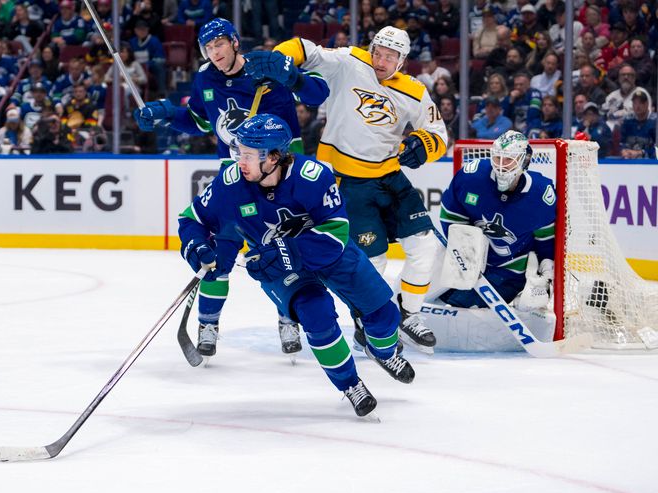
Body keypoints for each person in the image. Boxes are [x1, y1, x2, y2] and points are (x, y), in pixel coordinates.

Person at [178, 114, 415, 417]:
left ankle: (382, 351)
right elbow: (192, 219)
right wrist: (196, 246)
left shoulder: (314, 177)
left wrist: (285, 249)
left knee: (384, 314)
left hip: (330, 254)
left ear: (274, 157)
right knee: (317, 317)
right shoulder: (230, 183)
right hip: (280, 269)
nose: (240, 161)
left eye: (249, 155)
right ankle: (350, 384)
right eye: (239, 152)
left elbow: (336, 233)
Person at [135, 18, 329, 358]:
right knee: (218, 250)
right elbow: (198, 121)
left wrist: (294, 76)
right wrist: (165, 113)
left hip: (283, 174)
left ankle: (288, 318)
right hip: (237, 173)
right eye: (208, 48)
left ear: (235, 42)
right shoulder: (205, 78)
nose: (214, 52)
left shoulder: (265, 66)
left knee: (289, 251)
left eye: (219, 45)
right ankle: (208, 323)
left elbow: (318, 93)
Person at [273, 26, 448, 354]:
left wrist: (424, 144)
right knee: (374, 260)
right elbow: (306, 50)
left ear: (402, 60)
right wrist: (279, 58)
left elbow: (437, 130)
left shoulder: (414, 90)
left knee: (425, 249)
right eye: (378, 52)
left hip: (390, 178)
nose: (380, 60)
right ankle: (371, 321)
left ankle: (408, 313)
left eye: (389, 56)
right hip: (347, 180)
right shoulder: (349, 61)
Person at [436, 130, 556, 310]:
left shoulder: (540, 195)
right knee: (424, 284)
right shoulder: (472, 176)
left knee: (457, 304)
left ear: (524, 160)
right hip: (466, 260)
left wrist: (546, 270)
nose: (501, 165)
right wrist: (466, 251)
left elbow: (546, 241)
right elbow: (449, 213)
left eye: (508, 159)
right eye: (498, 158)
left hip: (508, 269)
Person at [620, 89, 657, 159]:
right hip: (628, 160)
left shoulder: (655, 122)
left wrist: (642, 153)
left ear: (647, 104)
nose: (637, 106)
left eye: (641, 103)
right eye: (635, 103)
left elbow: (657, 148)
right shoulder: (627, 121)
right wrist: (623, 151)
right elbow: (621, 142)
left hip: (650, 164)